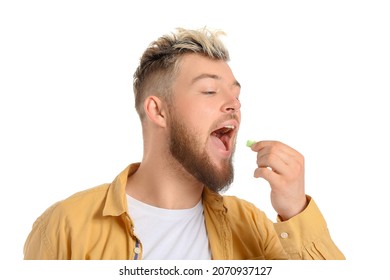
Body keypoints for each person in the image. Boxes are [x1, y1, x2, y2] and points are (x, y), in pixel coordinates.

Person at [24, 27, 345, 260]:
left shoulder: (252, 227)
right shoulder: (65, 228)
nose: (234, 104)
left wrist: (295, 210)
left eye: (236, 95)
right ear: (158, 110)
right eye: (209, 90)